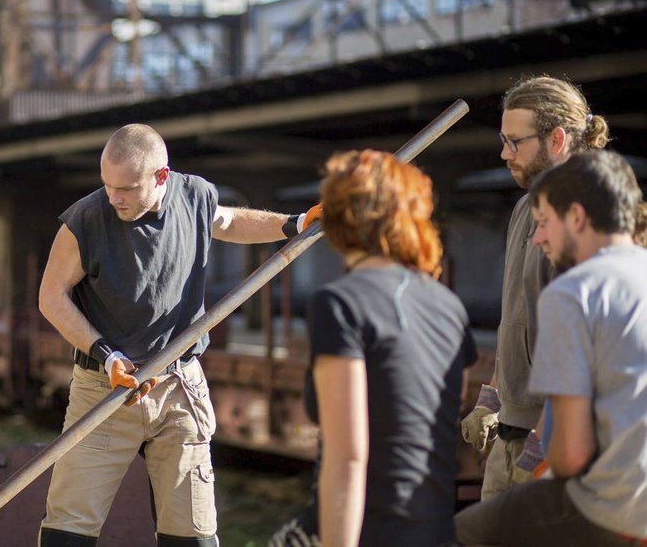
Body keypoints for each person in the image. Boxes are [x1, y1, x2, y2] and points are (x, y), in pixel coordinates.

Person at [37, 123, 320, 546]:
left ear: (162, 177)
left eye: (128, 188)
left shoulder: (195, 196)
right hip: (105, 387)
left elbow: (226, 221)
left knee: (193, 533)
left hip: (179, 385)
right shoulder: (87, 219)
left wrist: (295, 224)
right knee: (69, 529)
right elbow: (51, 297)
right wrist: (106, 353)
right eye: (108, 185)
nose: (115, 197)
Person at [270, 150, 477, 547]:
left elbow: (348, 457)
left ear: (338, 218)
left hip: (368, 529)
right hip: (433, 527)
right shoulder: (449, 306)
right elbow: (439, 425)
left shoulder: (339, 304)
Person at [456, 150, 647, 546]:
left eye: (543, 223)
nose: (538, 237)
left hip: (610, 506)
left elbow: (570, 456)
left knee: (461, 534)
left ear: (576, 217)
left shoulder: (574, 292)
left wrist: (532, 463)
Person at [460, 76, 611, 499]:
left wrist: (541, 449)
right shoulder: (527, 208)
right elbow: (518, 317)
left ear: (558, 139)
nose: (504, 153)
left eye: (515, 142)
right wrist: (493, 396)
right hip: (516, 435)